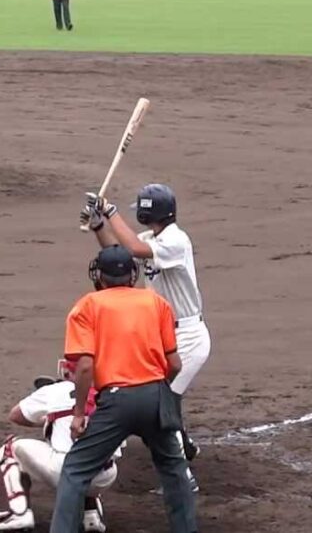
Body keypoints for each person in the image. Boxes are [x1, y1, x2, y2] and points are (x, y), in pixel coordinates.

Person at [50, 245, 196, 533]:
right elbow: (175, 364)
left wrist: (79, 414)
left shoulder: (87, 307)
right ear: (132, 274)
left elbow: (84, 368)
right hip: (156, 395)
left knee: (76, 470)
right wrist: (155, 386)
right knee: (174, 469)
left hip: (117, 401)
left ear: (99, 276)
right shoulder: (156, 303)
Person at [82, 185, 210, 481]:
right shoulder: (152, 238)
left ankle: (182, 478)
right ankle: (185, 445)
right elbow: (120, 254)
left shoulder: (176, 240)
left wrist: (110, 211)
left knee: (163, 403)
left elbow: (136, 251)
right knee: (160, 398)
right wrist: (99, 225)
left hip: (188, 337)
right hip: (164, 334)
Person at [0, 360, 121, 532]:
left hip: (65, 471)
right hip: (106, 476)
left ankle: (19, 514)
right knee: (93, 455)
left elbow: (15, 415)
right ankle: (91, 516)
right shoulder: (112, 394)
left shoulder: (55, 390)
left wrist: (51, 419)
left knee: (9, 449)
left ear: (69, 373)